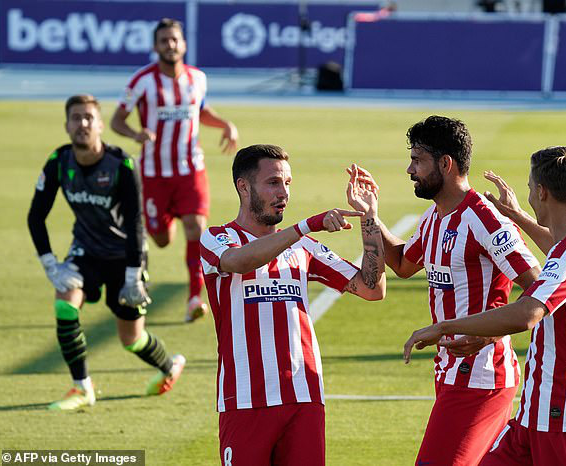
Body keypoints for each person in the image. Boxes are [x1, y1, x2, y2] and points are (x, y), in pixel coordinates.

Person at [404, 146, 566, 465]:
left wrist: (446, 326)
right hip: (532, 417)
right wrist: (516, 215)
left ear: (541, 192)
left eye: (529, 187)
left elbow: (528, 313)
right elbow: (558, 247)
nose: (527, 194)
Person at [354, 115, 541, 466]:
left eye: (417, 160)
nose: (410, 169)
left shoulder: (485, 220)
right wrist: (370, 216)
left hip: (481, 375)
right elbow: (404, 264)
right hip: (450, 371)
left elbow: (540, 287)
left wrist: (485, 338)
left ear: (445, 163)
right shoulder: (434, 217)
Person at [200, 144, 386, 465]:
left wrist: (369, 218)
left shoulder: (304, 248)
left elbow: (372, 288)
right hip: (245, 400)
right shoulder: (217, 238)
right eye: (273, 182)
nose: (283, 192)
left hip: (304, 398)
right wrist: (305, 227)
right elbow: (240, 261)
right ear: (243, 186)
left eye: (287, 183)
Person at [27, 95, 185, 410]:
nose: (82, 124)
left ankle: (170, 366)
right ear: (67, 125)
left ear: (100, 124)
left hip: (124, 256)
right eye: (75, 118)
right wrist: (51, 265)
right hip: (85, 253)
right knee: (65, 306)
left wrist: (132, 276)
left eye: (88, 118)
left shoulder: (122, 165)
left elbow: (137, 224)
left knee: (131, 340)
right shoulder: (58, 162)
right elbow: (35, 216)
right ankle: (82, 388)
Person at [111, 18, 239, 323]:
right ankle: (153, 238)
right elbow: (117, 120)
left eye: (175, 40)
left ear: (183, 44)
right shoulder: (141, 81)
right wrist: (135, 135)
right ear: (155, 47)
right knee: (162, 239)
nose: (170, 45)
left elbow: (202, 111)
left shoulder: (198, 78)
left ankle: (195, 296)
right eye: (164, 40)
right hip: (154, 174)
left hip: (190, 169)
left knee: (195, 228)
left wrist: (226, 125)